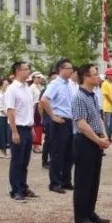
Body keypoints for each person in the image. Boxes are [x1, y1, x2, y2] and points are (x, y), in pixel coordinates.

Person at [71, 64, 111, 223]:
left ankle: (90, 212)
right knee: (83, 180)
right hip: (85, 141)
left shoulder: (93, 95)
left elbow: (98, 117)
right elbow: (81, 123)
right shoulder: (79, 97)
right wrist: (97, 139)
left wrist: (105, 134)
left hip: (95, 140)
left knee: (94, 179)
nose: (98, 77)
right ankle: (81, 217)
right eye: (95, 74)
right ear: (86, 77)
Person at [3, 61, 37, 201]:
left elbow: (29, 109)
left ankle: (23, 186)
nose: (28, 71)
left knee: (25, 161)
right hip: (18, 128)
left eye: (28, 69)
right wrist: (14, 131)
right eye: (25, 69)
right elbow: (10, 111)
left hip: (27, 128)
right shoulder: (12, 89)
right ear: (17, 71)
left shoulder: (27, 88)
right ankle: (15, 190)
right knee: (17, 161)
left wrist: (32, 127)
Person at [41, 58, 75, 194]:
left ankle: (66, 181)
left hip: (69, 121)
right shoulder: (55, 84)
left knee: (69, 153)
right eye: (69, 69)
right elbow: (44, 100)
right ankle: (55, 183)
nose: (71, 71)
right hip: (59, 121)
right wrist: (53, 116)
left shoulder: (69, 85)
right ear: (61, 69)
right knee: (57, 153)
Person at [0, 77, 10, 158]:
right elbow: (1, 108)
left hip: (7, 116)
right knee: (2, 134)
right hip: (2, 117)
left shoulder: (8, 94)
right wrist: (9, 115)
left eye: (8, 84)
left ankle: (6, 152)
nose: (8, 86)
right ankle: (3, 153)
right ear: (1, 86)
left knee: (7, 134)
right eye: (6, 84)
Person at [100, 68, 112, 140]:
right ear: (107, 76)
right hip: (107, 107)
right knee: (107, 124)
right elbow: (106, 95)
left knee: (111, 125)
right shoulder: (105, 83)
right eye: (111, 75)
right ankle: (107, 138)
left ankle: (109, 138)